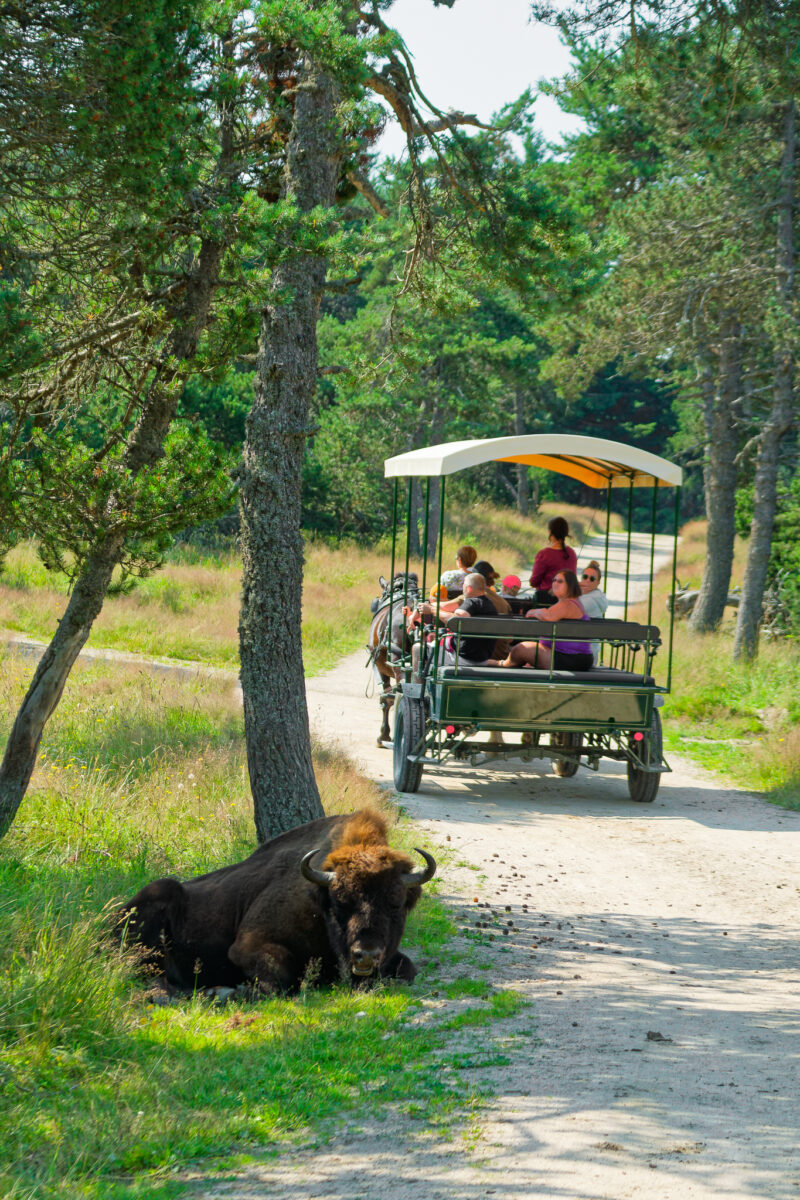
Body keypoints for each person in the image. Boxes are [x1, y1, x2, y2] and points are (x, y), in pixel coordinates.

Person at [490, 569, 593, 670]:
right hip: (568, 656)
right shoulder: (567, 603)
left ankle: (502, 664)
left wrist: (533, 611)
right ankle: (506, 663)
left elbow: (548, 616)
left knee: (521, 648)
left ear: (570, 585)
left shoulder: (568, 604)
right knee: (521, 649)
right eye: (554, 580)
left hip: (570, 658)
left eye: (560, 581)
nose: (555, 583)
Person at [410, 571, 497, 666]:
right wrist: (422, 608)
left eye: (463, 584)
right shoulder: (490, 605)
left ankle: (417, 681)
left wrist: (432, 610)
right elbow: (447, 607)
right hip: (482, 659)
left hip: (463, 658)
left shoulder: (471, 603)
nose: (462, 588)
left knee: (418, 649)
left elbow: (456, 621)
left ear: (468, 588)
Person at [530, 517, 578, 604]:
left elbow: (534, 581)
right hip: (568, 599)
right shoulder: (572, 553)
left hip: (546, 599)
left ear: (550, 532)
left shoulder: (544, 554)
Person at [578, 560, 609, 664]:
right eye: (585, 577)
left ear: (598, 583)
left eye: (592, 579)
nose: (587, 581)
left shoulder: (590, 601)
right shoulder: (584, 595)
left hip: (584, 653)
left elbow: (564, 610)